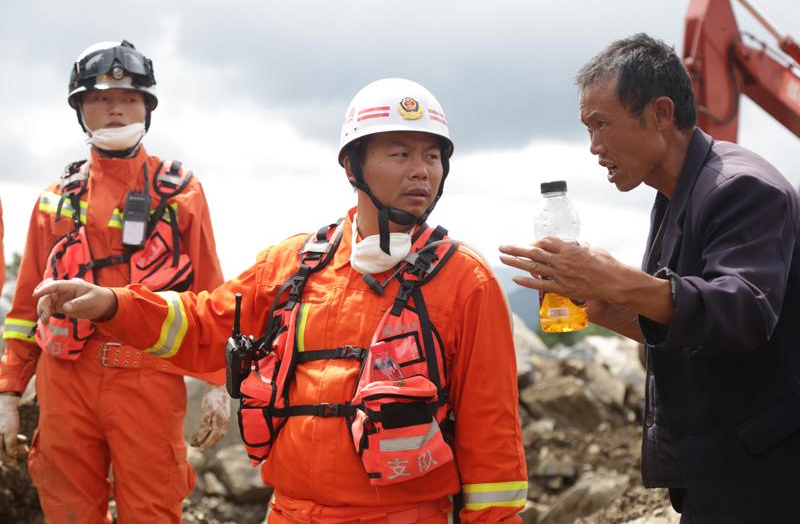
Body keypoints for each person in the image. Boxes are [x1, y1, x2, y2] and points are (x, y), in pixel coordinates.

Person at [33, 78, 529, 523]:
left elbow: (492, 441)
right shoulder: (295, 264)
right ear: (352, 166)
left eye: (432, 156)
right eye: (400, 154)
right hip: (289, 512)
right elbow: (206, 323)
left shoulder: (468, 282)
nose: (421, 171)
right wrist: (113, 305)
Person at [499, 33, 800, 522]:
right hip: (720, 473)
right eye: (586, 129)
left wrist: (613, 278)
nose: (594, 147)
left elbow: (742, 312)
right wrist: (604, 307)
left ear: (660, 113)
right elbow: (682, 324)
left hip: (771, 479)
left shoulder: (741, 188)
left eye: (601, 126)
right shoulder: (674, 195)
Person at [0, 40, 231, 523]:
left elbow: (211, 294)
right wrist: (7, 395)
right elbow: (24, 310)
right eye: (100, 99)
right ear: (81, 110)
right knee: (66, 511)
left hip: (148, 378)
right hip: (64, 378)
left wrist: (216, 384)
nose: (115, 109)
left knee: (152, 510)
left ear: (147, 106)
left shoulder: (182, 193)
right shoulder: (53, 201)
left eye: (128, 98)